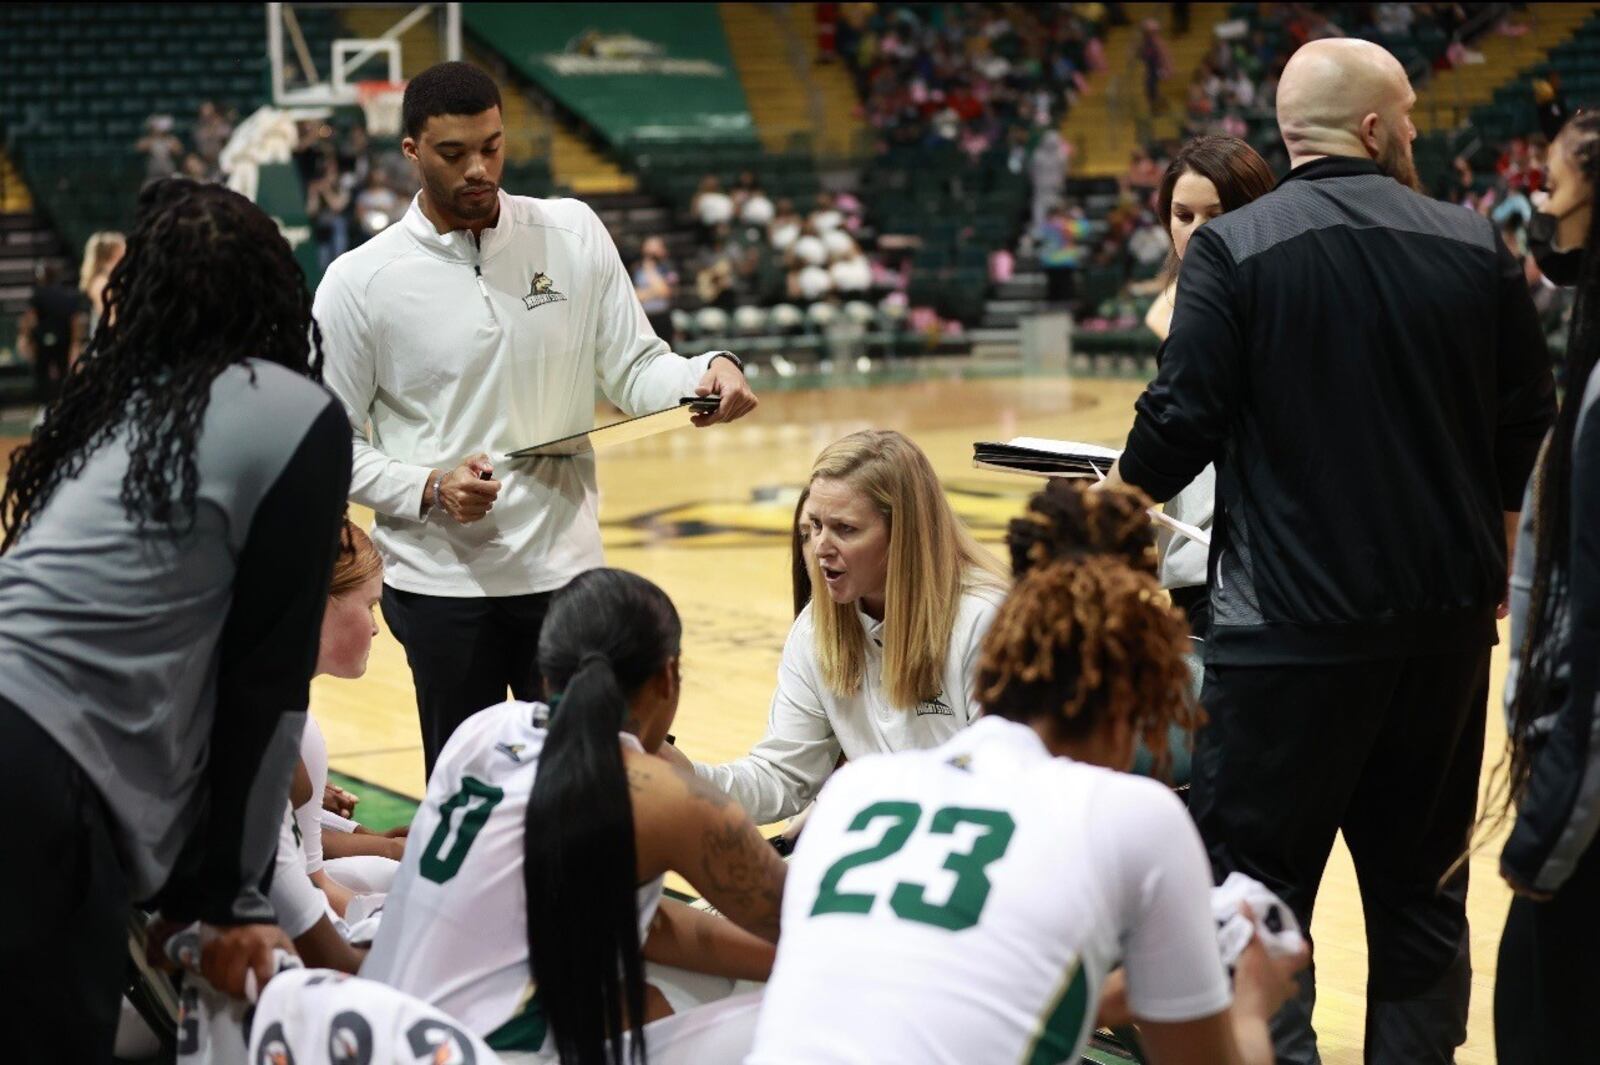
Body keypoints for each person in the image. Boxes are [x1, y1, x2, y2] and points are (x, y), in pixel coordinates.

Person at [1103, 38, 1556, 1063]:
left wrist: (1119, 498)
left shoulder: (1232, 250)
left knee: (1252, 903)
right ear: (1368, 128)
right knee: (1421, 907)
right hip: (1439, 642)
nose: (1412, 131)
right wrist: (1486, 564)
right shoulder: (1472, 242)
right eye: (1404, 115)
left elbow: (1177, 427)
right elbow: (1528, 431)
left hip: (1282, 643)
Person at [746, 483, 1306, 1065]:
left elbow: (973, 1003)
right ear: (1130, 705)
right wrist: (1249, 1001)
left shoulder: (855, 790)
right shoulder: (1135, 814)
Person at [314, 62, 759, 777]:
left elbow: (636, 365)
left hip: (564, 571)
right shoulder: (359, 282)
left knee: (589, 786)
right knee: (477, 800)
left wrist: (704, 373)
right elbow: (333, 446)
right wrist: (430, 485)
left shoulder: (572, 232)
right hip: (441, 587)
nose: (478, 169)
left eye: (491, 146)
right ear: (410, 152)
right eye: (453, 154)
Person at [0, 178, 351, 1062]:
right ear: (278, 290)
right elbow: (265, 679)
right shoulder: (292, 410)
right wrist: (225, 899)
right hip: (40, 770)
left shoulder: (108, 412)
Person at [362, 568, 787, 1064]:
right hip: (476, 1054)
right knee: (792, 1014)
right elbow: (804, 922)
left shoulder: (482, 730)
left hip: (373, 1029)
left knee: (685, 985)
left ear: (545, 674)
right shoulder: (664, 796)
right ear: (668, 676)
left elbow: (644, 927)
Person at [683, 430, 1008, 828]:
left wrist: (852, 805)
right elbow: (780, 777)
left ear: (903, 535)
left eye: (845, 529)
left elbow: (1006, 782)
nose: (820, 547)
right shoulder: (817, 629)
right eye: (815, 526)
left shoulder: (984, 620)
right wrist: (686, 779)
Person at [1493, 109, 1600, 1064]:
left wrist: (1549, 834)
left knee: (1536, 1019)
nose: (1541, 210)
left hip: (1584, 798)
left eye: (1556, 190)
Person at [1143, 136, 1276, 638]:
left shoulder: (1273, 302)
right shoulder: (1183, 298)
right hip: (1190, 567)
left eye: (1216, 214)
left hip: (1251, 569)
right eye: (1183, 215)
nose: (1198, 232)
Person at [16, 261, 87, 404]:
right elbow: (75, 321)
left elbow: (30, 318)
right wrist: (75, 343)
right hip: (64, 340)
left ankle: (45, 405)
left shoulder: (38, 294)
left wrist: (24, 337)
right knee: (64, 374)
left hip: (44, 342)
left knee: (41, 375)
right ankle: (64, 404)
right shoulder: (69, 295)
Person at [78, 230, 125, 338]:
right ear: (113, 254)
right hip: (108, 341)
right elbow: (109, 317)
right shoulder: (100, 282)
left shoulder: (111, 279)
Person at [633, 235, 678, 344]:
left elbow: (665, 292)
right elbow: (634, 296)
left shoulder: (668, 267)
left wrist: (650, 269)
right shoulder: (636, 269)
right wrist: (655, 290)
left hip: (663, 318)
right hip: (644, 319)